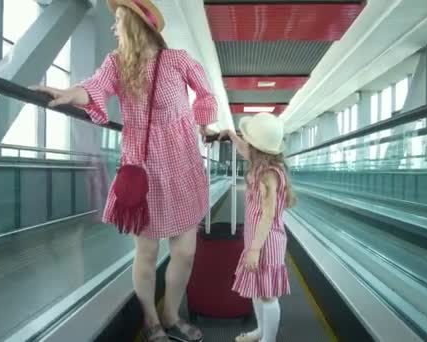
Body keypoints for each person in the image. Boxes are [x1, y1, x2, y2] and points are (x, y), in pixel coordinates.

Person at [32, 1, 217, 341]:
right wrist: (68, 92)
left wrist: (202, 121)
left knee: (185, 251)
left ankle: (171, 314)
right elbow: (93, 88)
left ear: (136, 23)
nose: (114, 28)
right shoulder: (117, 64)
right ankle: (151, 321)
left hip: (181, 166)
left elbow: (206, 93)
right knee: (146, 252)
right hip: (142, 170)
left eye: (118, 21)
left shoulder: (177, 59)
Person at [220, 113, 297, 342]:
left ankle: (268, 339)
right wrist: (232, 135)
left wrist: (254, 249)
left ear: (257, 147)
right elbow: (244, 150)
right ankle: (261, 332)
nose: (247, 146)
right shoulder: (260, 165)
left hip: (267, 241)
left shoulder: (269, 176)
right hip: (256, 239)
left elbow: (268, 215)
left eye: (249, 142)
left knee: (268, 295)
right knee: (258, 288)